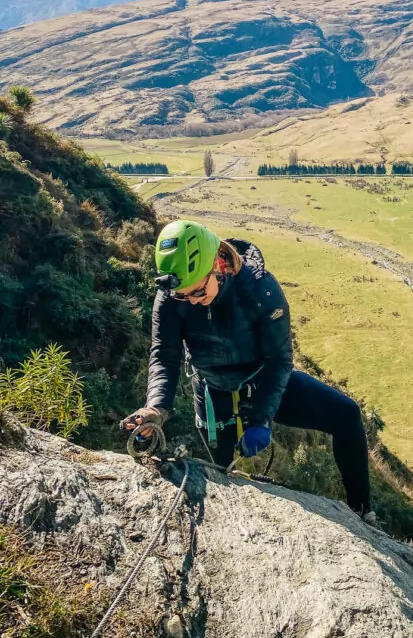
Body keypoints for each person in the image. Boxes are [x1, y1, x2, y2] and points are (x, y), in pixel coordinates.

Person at [122, 219, 374, 522]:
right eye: (184, 296)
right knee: (226, 473)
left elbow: (279, 360)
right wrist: (156, 408)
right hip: (213, 389)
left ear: (218, 264)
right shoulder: (172, 295)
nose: (193, 301)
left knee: (346, 415)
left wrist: (261, 419)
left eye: (199, 292)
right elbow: (165, 354)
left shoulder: (259, 289)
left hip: (261, 378)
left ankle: (363, 513)